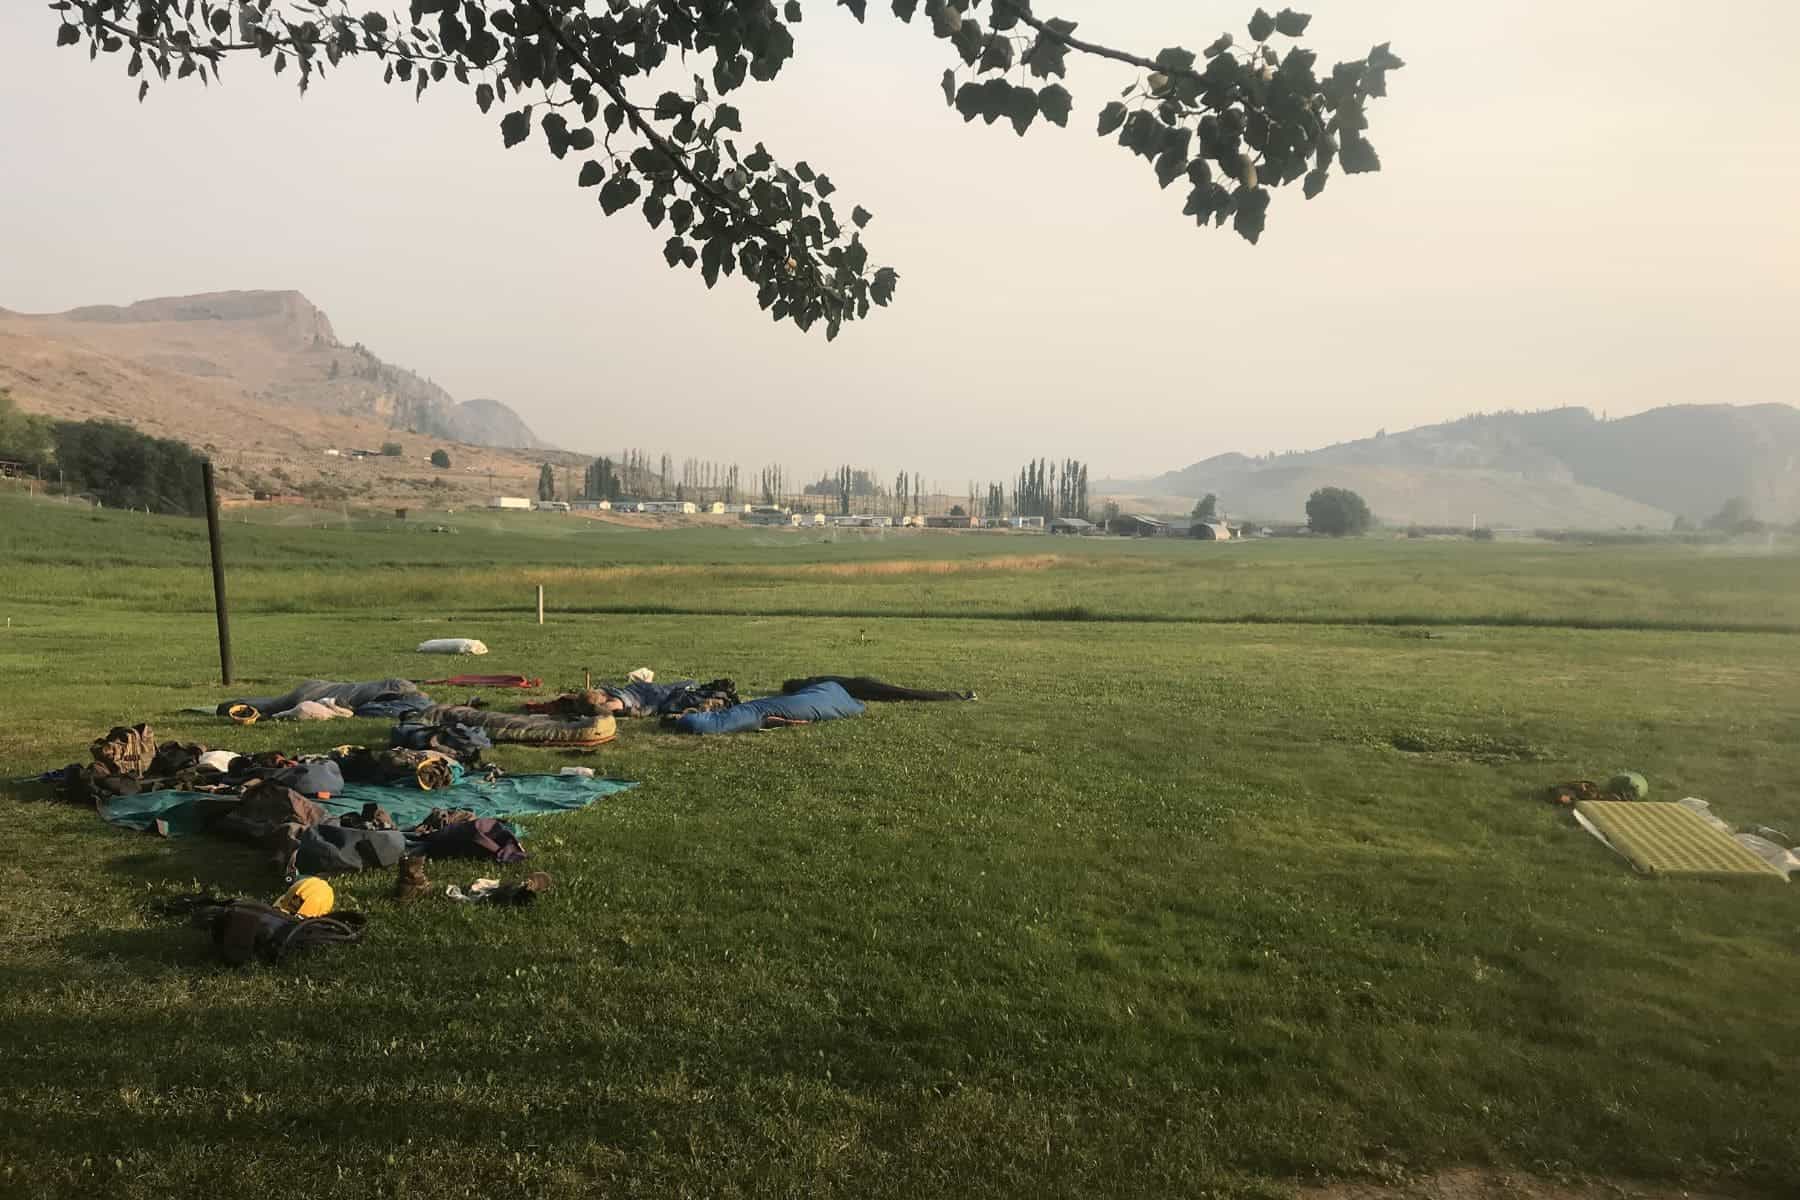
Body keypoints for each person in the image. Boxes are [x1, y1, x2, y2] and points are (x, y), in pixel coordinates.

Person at [780, 676, 975, 703]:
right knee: (903, 693)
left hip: (861, 688)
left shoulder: (813, 687)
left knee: (904, 694)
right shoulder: (815, 681)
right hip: (862, 685)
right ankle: (955, 697)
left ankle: (955, 697)